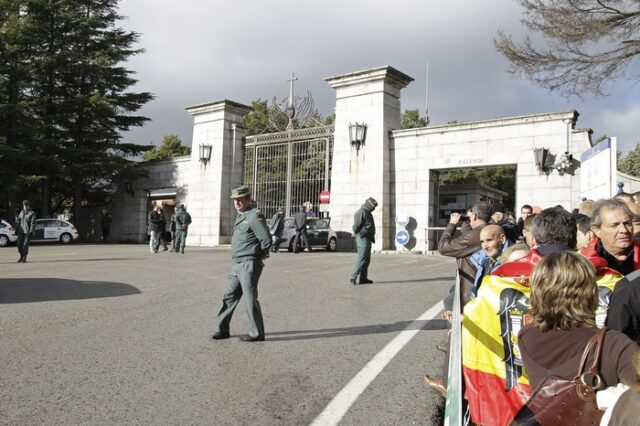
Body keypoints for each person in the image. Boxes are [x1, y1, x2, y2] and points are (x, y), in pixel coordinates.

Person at [518, 251, 639, 391]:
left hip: (542, 413)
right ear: (589, 292)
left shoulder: (526, 336)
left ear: (538, 291)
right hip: (599, 411)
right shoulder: (615, 345)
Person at [211, 185, 271, 342]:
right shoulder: (241, 215)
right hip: (237, 264)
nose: (236, 202)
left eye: (240, 199)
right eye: (234, 199)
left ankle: (257, 333)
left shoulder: (254, 215)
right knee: (229, 297)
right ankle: (222, 329)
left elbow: (266, 239)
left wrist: (261, 254)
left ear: (248, 198)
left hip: (248, 263)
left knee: (250, 299)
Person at [438, 201, 491, 305]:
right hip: (487, 285)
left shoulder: (471, 236)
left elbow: (443, 247)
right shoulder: (494, 230)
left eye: (469, 214)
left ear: (474, 215)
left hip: (471, 287)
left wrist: (452, 224)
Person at [581, 199, 640, 276]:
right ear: (597, 230)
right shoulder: (582, 262)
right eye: (614, 225)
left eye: (627, 224)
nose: (624, 230)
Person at [469, 224, 510, 297]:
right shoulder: (483, 261)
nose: (485, 246)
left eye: (489, 240)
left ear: (502, 239)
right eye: (482, 242)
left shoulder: (513, 262)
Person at [350, 197, 377, 285]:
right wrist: (356, 232)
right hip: (363, 237)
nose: (374, 208)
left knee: (367, 259)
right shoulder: (361, 212)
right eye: (373, 206)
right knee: (362, 257)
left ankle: (363, 278)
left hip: (368, 237)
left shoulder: (367, 212)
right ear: (369, 204)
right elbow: (356, 226)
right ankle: (353, 277)